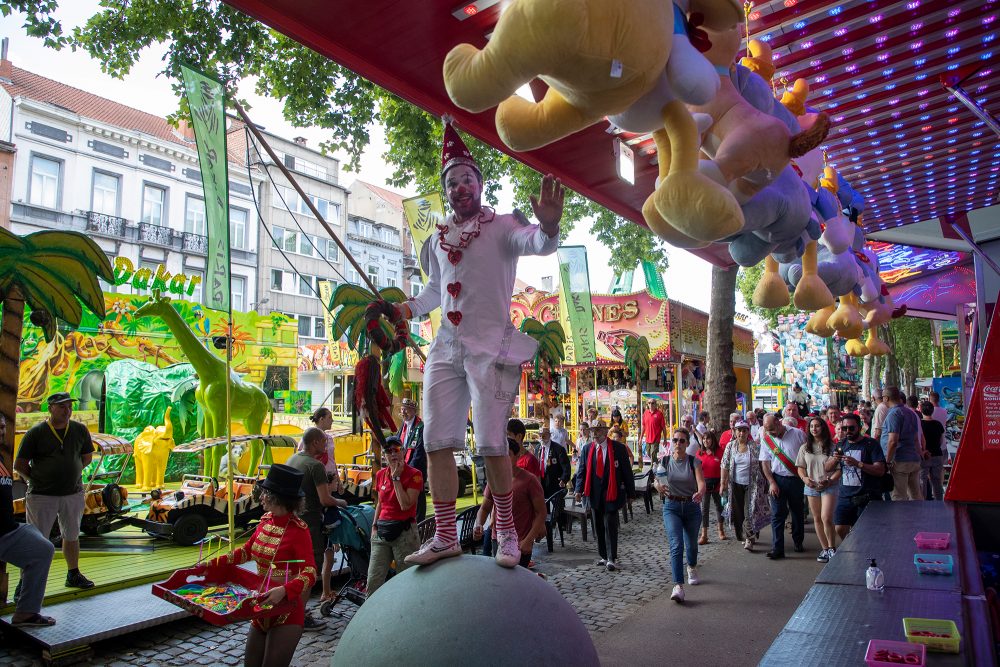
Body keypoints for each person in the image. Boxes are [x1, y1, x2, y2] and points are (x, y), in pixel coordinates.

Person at [396, 121, 563, 568]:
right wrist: (407, 310)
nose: (459, 187)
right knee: (435, 439)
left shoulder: (504, 226)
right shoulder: (435, 239)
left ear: (480, 183)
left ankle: (507, 532)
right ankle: (446, 534)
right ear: (445, 191)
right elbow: (434, 289)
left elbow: (540, 243)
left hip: (490, 349)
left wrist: (549, 226)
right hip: (444, 349)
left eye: (466, 178)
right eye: (451, 182)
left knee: (491, 442)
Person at [200, 464, 316, 667]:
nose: (260, 497)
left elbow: (310, 572)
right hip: (260, 607)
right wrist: (210, 565)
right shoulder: (265, 521)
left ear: (277, 497)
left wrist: (285, 590)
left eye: (264, 493)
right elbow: (245, 552)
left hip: (286, 611)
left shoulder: (299, 531)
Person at [13, 392, 96, 589]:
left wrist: (70, 474)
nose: (67, 410)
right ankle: (25, 583)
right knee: (35, 539)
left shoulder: (79, 430)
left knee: (72, 534)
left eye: (69, 406)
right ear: (50, 408)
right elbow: (20, 464)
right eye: (62, 407)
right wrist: (38, 479)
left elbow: (86, 457)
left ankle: (73, 574)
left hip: (72, 493)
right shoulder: (36, 432)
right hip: (42, 495)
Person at [285, 427, 346, 629]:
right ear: (315, 443)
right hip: (310, 524)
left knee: (294, 570)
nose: (326, 445)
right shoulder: (315, 466)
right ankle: (300, 615)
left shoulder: (293, 459)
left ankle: (291, 610)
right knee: (310, 571)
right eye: (324, 442)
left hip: (291, 521)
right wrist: (341, 502)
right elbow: (325, 499)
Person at [0, 414, 57, 627]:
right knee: (42, 549)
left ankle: (26, 610)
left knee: (42, 543)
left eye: (3, 427)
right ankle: (26, 611)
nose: (2, 432)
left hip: (10, 529)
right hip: (3, 534)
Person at [474, 438, 546, 569]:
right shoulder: (494, 479)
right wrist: (479, 524)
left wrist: (529, 540)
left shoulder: (529, 480)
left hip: (521, 542)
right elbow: (485, 507)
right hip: (498, 539)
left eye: (508, 454)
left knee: (518, 582)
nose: (503, 459)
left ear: (517, 456)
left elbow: (541, 512)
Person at [653, 428, 706, 604]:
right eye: (675, 440)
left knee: (691, 545)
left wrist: (699, 493)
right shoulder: (665, 460)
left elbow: (701, 482)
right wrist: (658, 487)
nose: (678, 443)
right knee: (676, 544)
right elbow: (657, 480)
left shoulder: (694, 462)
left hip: (691, 506)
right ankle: (678, 586)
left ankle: (691, 566)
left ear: (687, 443)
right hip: (672, 507)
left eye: (682, 441)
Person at [574, 420, 635, 572]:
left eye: (598, 430)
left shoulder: (618, 448)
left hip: (611, 492)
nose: (595, 433)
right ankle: (603, 555)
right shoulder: (588, 449)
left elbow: (627, 472)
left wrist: (630, 493)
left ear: (605, 432)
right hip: (594, 493)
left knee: (610, 524)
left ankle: (611, 557)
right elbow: (581, 471)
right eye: (593, 430)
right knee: (597, 525)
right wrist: (578, 490)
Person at [367, 436, 423, 595]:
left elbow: (406, 505)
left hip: (405, 532)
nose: (393, 454)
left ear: (403, 451)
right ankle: (372, 615)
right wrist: (374, 526)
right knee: (373, 579)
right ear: (384, 455)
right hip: (382, 531)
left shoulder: (415, 474)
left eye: (396, 450)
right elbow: (380, 503)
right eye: (388, 451)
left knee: (406, 579)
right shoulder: (380, 474)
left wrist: (396, 478)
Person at [828, 414, 886, 539]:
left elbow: (880, 470)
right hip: (845, 495)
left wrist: (858, 464)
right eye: (844, 428)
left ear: (859, 427)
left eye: (851, 428)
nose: (847, 431)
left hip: (866, 495)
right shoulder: (841, 444)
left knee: (865, 531)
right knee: (840, 527)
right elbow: (827, 468)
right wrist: (834, 460)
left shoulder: (871, 444)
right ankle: (852, 545)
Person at [758, 413, 807, 559]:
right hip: (777, 479)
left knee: (797, 512)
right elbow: (765, 463)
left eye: (772, 429)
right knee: (777, 514)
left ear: (779, 423)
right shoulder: (767, 440)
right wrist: (771, 482)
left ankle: (798, 541)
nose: (771, 433)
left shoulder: (799, 434)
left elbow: (807, 456)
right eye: (768, 430)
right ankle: (777, 548)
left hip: (796, 479)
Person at [796, 417, 840, 563]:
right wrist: (805, 479)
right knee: (817, 518)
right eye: (812, 426)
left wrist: (830, 480)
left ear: (823, 428)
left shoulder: (832, 447)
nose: (814, 429)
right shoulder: (804, 447)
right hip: (811, 486)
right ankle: (825, 549)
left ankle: (832, 547)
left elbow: (839, 470)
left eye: (817, 426)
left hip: (829, 485)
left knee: (826, 517)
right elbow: (801, 468)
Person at [720, 420, 769, 551]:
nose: (741, 433)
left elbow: (762, 464)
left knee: (749, 511)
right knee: (738, 513)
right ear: (735, 432)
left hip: (752, 485)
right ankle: (747, 535)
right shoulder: (730, 446)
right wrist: (722, 483)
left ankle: (749, 538)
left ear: (748, 432)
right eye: (739, 430)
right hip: (735, 485)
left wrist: (767, 481)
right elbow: (724, 465)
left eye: (744, 430)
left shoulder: (754, 446)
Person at [881, 387, 926, 501]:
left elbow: (893, 441)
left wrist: (887, 461)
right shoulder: (911, 413)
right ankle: (919, 517)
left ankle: (900, 519)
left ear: (886, 398)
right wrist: (920, 455)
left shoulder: (893, 414)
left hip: (899, 461)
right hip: (913, 459)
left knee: (899, 497)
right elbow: (916, 439)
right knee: (916, 495)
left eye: (883, 398)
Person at [396, 398, 427, 522]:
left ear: (414, 411)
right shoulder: (403, 426)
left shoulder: (421, 427)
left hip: (416, 470)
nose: (403, 412)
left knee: (418, 497)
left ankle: (420, 524)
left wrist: (408, 469)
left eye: (406, 409)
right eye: (402, 409)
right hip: (404, 468)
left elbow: (419, 452)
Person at [695, 430, 725, 544]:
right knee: (704, 509)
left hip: (718, 483)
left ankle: (721, 530)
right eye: (703, 439)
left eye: (708, 439)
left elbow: (725, 467)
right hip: (704, 483)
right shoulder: (699, 453)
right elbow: (696, 470)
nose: (705, 441)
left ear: (712, 440)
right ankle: (704, 535)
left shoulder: (720, 451)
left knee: (719, 507)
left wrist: (724, 483)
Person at [919, 401, 946, 501]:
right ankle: (939, 501)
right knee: (937, 481)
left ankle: (923, 501)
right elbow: (941, 440)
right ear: (932, 411)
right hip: (937, 454)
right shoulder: (938, 424)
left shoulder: (920, 424)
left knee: (923, 480)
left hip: (924, 455)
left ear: (921, 410)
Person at [534, 427, 571, 499]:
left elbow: (566, 466)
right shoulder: (538, 448)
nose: (541, 437)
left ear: (549, 435)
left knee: (557, 507)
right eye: (540, 435)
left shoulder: (558, 449)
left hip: (555, 484)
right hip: (541, 483)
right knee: (544, 508)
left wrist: (564, 479)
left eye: (544, 435)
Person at [641, 400, 666, 468]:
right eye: (649, 403)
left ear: (655, 404)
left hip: (656, 438)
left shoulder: (659, 414)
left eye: (652, 403)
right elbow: (643, 426)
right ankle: (658, 464)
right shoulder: (645, 413)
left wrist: (665, 439)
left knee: (653, 454)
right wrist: (641, 438)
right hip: (648, 438)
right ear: (647, 404)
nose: (651, 404)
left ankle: (652, 470)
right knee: (649, 453)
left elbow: (663, 427)